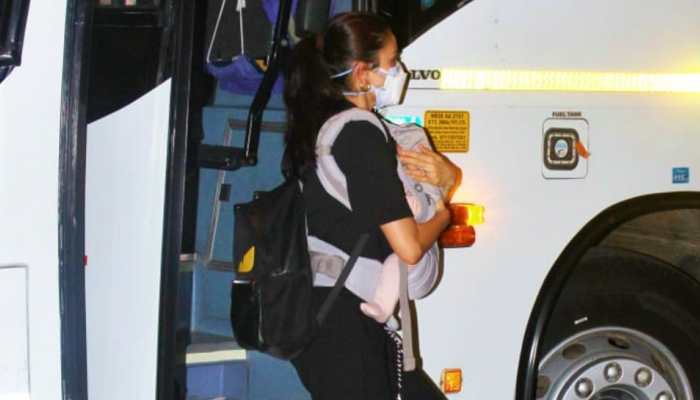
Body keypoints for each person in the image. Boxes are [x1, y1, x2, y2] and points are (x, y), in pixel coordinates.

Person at [283, 12, 460, 400]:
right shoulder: (359, 134)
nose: (401, 71)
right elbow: (409, 247)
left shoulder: (326, 123)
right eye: (393, 62)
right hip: (342, 324)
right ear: (363, 73)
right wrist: (445, 214)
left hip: (333, 314)